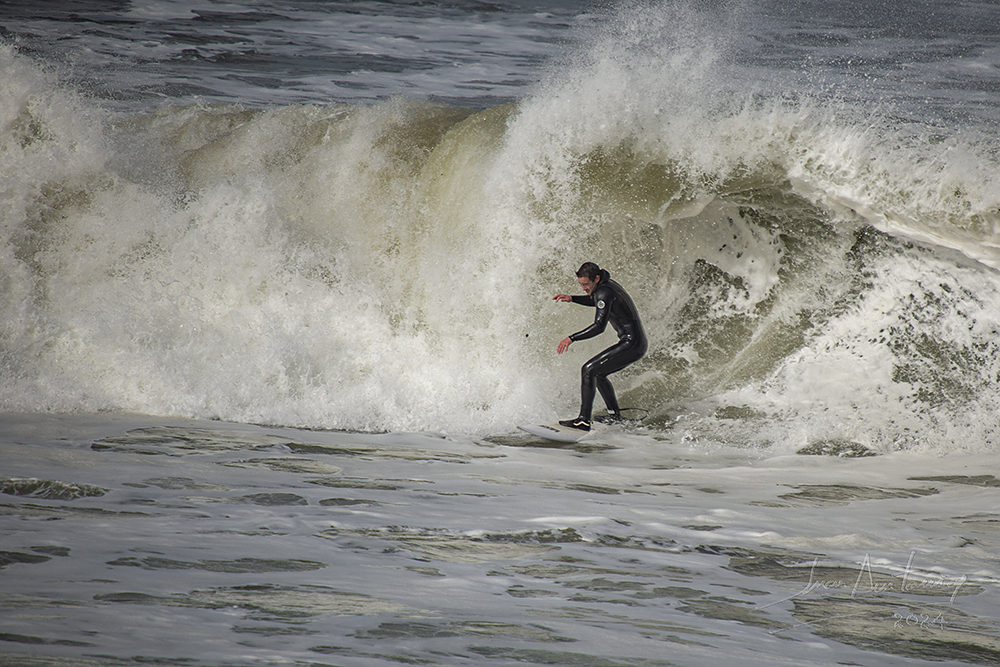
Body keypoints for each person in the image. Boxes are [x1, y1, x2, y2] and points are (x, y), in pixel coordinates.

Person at [553, 262, 647, 431]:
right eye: (581, 284)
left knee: (588, 370)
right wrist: (572, 298)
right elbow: (595, 299)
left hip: (631, 344)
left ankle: (583, 420)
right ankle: (615, 416)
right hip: (635, 343)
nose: (583, 288)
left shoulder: (604, 291)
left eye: (586, 284)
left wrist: (571, 338)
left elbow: (599, 326)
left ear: (596, 279)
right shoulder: (605, 287)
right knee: (599, 374)